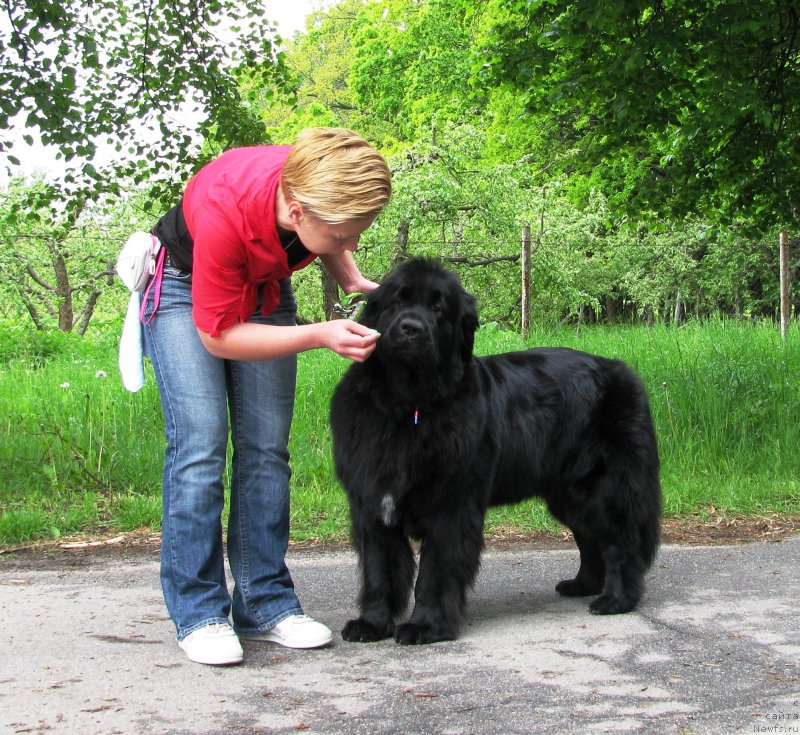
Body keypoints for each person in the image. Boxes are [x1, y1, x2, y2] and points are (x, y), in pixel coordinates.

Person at [140, 127, 391, 666]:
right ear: (297, 212)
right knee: (201, 448)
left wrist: (353, 277)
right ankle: (200, 613)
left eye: (357, 234)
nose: (351, 244)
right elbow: (219, 336)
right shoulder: (225, 209)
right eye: (344, 236)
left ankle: (264, 604)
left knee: (266, 451)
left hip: (263, 285)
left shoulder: (317, 178)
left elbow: (327, 234)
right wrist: (318, 334)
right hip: (186, 286)